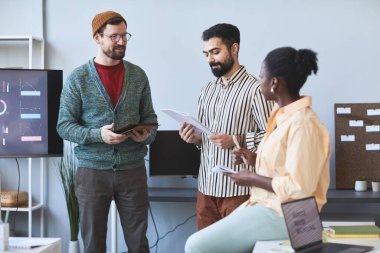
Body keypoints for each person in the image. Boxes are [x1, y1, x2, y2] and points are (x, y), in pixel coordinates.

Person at [184, 47, 331, 253]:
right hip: (265, 205)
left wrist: (252, 179)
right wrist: (253, 159)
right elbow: (283, 165)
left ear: (274, 83)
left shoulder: (304, 124)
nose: (258, 82)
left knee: (195, 245)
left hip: (288, 214)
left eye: (262, 76)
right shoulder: (281, 116)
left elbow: (299, 188)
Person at [56, 11, 157, 253]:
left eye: (124, 35)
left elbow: (150, 120)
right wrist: (97, 135)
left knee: (138, 244)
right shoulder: (78, 78)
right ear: (97, 38)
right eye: (114, 36)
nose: (121, 41)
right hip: (92, 173)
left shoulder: (138, 75)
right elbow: (63, 125)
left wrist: (147, 135)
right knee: (93, 245)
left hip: (132, 171)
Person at [179, 23, 274, 230]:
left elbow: (273, 137)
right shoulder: (207, 90)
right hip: (206, 190)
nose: (210, 59)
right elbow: (204, 137)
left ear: (234, 49)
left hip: (239, 192)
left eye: (215, 52)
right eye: (206, 54)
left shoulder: (256, 88)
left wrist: (235, 139)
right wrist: (194, 138)